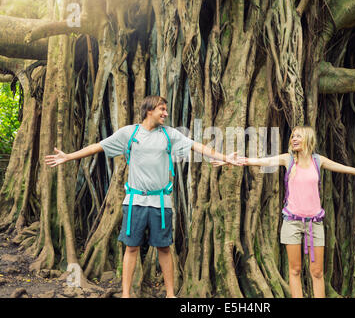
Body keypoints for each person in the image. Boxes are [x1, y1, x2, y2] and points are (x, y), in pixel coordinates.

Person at [45, 95, 243, 298]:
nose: (165, 113)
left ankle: (171, 294)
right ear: (150, 110)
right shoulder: (129, 133)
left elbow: (196, 146)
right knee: (131, 248)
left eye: (165, 110)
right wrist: (68, 156)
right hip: (134, 202)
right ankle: (126, 295)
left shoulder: (169, 135)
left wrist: (225, 157)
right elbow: (99, 146)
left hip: (161, 203)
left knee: (164, 248)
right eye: (162, 109)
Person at [212, 125, 355, 298]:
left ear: (308, 139)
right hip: (292, 222)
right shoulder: (288, 159)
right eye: (292, 136)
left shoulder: (318, 161)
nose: (293, 139)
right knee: (295, 270)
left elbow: (343, 168)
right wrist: (228, 160)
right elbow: (259, 161)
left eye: (298, 136)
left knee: (317, 272)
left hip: (315, 223)